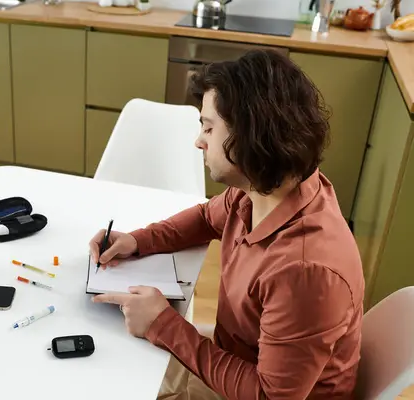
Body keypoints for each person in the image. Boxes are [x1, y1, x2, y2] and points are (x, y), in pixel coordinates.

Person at [88, 49, 365, 400]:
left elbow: (268, 396)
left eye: (208, 127)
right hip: (238, 363)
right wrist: (137, 241)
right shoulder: (263, 189)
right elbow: (206, 218)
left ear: (252, 133)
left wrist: (164, 325)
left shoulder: (305, 270)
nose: (198, 141)